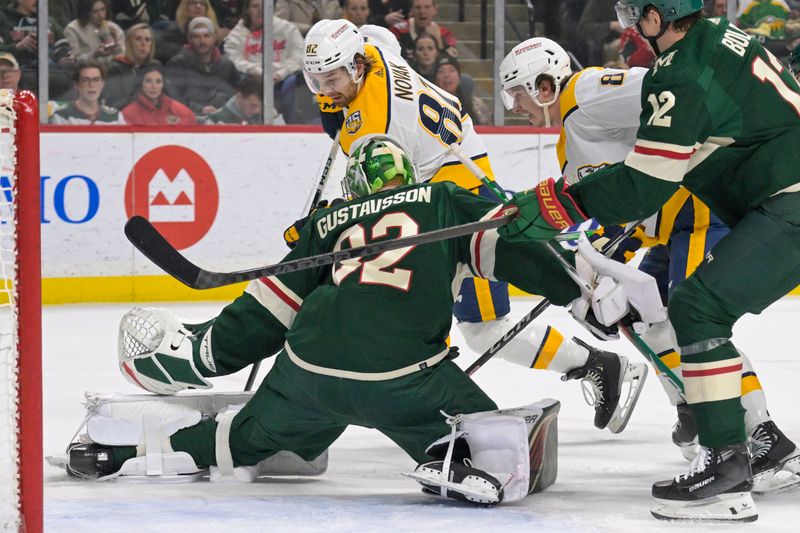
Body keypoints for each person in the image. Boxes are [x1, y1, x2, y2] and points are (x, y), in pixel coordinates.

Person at [65, 135, 650, 506]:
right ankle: (459, 455)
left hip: (306, 375)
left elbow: (265, 314)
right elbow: (513, 243)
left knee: (236, 441)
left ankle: (116, 453)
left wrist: (201, 354)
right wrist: (582, 295)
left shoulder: (329, 222)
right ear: (407, 177)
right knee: (485, 436)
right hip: (404, 379)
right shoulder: (442, 201)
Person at [496, 0, 800, 522]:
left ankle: (757, 438)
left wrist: (559, 205)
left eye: (519, 92)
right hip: (706, 206)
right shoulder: (707, 45)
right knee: (649, 314)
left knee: (697, 314)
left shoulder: (591, 91)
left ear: (544, 84)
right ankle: (706, 413)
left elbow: (650, 164)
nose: (626, 23)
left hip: (702, 214)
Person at [302, 19, 648, 435]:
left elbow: (380, 195)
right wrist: (333, 93)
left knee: (479, 328)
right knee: (457, 321)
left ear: (358, 65)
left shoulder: (376, 123)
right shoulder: (376, 54)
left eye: (332, 78)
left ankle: (599, 363)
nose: (325, 89)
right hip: (455, 192)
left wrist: (326, 222)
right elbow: (380, 38)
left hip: (458, 218)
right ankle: (590, 359)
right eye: (316, 80)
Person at [224, 0, 306, 122]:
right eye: (255, 6)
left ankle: (291, 123)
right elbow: (233, 57)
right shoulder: (238, 32)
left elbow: (300, 55)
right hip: (251, 77)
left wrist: (281, 73)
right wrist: (256, 71)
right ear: (247, 10)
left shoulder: (287, 28)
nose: (260, 11)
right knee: (243, 81)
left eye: (263, 6)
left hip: (283, 77)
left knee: (295, 81)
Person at [166, 16, 238, 117]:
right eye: (196, 37)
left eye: (206, 36)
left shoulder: (227, 65)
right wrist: (200, 109)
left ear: (214, 37)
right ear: (189, 39)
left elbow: (235, 98)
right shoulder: (177, 64)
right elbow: (173, 99)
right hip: (188, 120)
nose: (202, 41)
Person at [104, 23, 160, 110]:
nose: (143, 43)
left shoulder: (155, 66)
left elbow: (166, 99)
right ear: (129, 43)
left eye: (147, 40)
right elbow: (113, 104)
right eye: (138, 39)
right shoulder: (116, 67)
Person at [51, 60, 125, 124]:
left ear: (102, 84)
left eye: (96, 80)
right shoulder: (62, 115)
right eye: (85, 80)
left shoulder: (116, 117)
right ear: (76, 85)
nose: (91, 85)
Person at [121, 65, 196, 125]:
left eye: (158, 81)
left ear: (163, 84)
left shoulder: (182, 112)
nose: (154, 86)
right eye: (148, 81)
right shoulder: (128, 114)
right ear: (141, 84)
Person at [154, 0, 220, 65]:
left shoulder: (214, 31)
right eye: (193, 3)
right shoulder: (172, 31)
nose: (198, 6)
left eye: (202, 3)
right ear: (184, 7)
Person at [64, 0, 126, 66]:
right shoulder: (72, 29)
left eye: (103, 9)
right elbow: (73, 60)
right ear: (86, 12)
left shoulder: (113, 27)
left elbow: (123, 55)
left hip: (114, 70)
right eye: (95, 12)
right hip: (88, 71)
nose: (101, 15)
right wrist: (94, 54)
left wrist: (116, 47)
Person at [390, 0, 456, 61]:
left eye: (427, 7)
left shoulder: (445, 34)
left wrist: (439, 42)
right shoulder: (397, 30)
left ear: (435, 9)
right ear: (411, 10)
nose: (422, 11)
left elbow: (451, 62)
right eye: (417, 7)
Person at [434, 54, 489, 125]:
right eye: (441, 71)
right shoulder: (427, 104)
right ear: (435, 80)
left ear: (459, 77)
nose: (446, 75)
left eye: (451, 70)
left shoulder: (476, 105)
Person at [203, 75, 285, 124]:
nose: (257, 111)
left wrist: (274, 117)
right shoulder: (217, 119)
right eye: (253, 105)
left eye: (262, 106)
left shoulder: (268, 114)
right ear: (239, 96)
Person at [275, 0, 342, 35]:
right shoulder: (286, 1)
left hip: (328, 43)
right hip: (298, 43)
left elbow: (339, 22)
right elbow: (279, 25)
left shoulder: (331, 1)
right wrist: (308, 29)